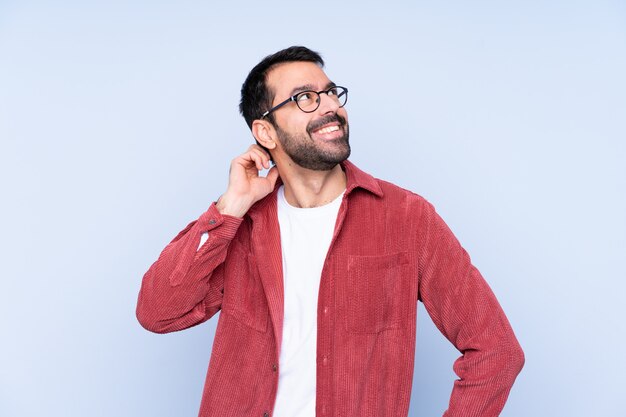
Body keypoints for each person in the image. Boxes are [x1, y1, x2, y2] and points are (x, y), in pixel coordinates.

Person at [136, 46, 524, 417]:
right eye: (305, 97)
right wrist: (230, 206)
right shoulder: (242, 226)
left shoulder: (408, 218)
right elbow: (158, 313)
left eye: (331, 93)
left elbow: (497, 350)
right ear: (265, 133)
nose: (331, 107)